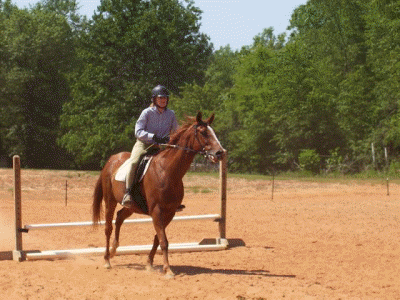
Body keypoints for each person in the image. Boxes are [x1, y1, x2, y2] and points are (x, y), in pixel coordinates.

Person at [121, 85, 178, 208]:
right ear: (154, 99)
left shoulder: (171, 114)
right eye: (160, 98)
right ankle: (128, 193)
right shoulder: (146, 112)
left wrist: (171, 140)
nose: (163, 100)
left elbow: (176, 132)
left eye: (165, 98)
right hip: (144, 144)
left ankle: (173, 197)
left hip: (161, 147)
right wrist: (154, 137)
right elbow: (138, 132)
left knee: (173, 166)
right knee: (133, 163)